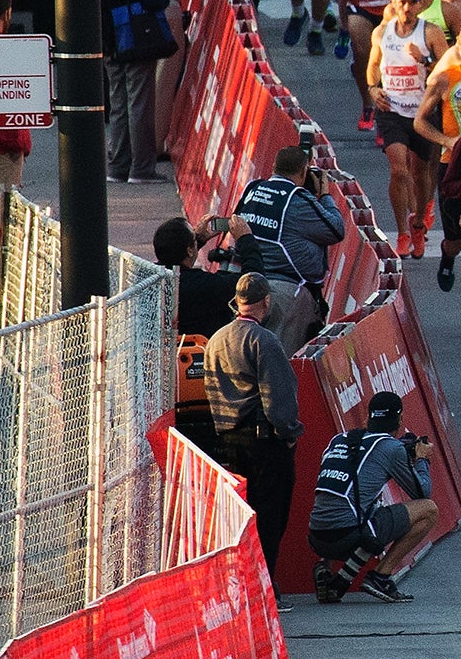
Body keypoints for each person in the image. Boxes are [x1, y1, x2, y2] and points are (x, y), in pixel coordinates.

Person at [202, 273, 305, 576]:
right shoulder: (264, 340)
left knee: (239, 519)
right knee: (270, 517)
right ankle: (265, 582)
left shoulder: (216, 340)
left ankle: (243, 580)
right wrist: (288, 434)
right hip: (264, 442)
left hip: (229, 440)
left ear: (238, 301)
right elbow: (278, 398)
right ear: (266, 301)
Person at [305, 390, 438, 605]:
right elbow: (422, 493)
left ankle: (327, 570)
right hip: (350, 536)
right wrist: (421, 459)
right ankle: (381, 577)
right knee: (429, 509)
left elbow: (364, 466)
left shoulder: (339, 439)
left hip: (317, 537)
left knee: (348, 499)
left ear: (368, 417)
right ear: (400, 419)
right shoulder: (391, 448)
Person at [231, 144, 350, 355]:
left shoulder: (253, 189)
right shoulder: (297, 200)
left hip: (245, 285)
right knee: (278, 362)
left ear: (274, 167)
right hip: (285, 294)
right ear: (304, 172)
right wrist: (324, 195)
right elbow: (336, 229)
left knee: (244, 354)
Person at [102, 0, 177, 182]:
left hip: (109, 40)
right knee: (140, 104)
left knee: (118, 103)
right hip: (136, 40)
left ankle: (118, 166)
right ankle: (142, 167)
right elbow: (154, 0)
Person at [155, 214, 244, 339]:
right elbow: (250, 282)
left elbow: (175, 256)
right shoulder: (203, 284)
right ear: (189, 250)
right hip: (201, 348)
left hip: (164, 343)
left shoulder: (152, 276)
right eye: (194, 238)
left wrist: (197, 240)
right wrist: (245, 238)